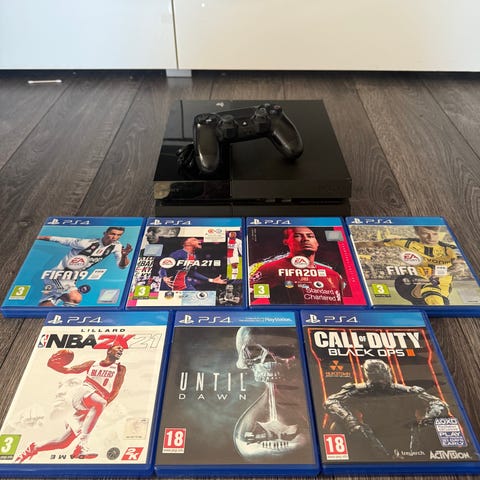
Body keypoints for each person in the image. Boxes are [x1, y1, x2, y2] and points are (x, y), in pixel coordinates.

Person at [15, 345, 126, 462]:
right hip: (84, 393)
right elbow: (69, 370)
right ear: (109, 351)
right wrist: (53, 365)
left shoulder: (120, 368)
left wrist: (104, 405)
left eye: (122, 350)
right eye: (118, 348)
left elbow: (116, 390)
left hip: (92, 404)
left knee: (63, 442)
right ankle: (82, 445)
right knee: (100, 402)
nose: (121, 350)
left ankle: (34, 447)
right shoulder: (93, 363)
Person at [323, 359, 449, 460]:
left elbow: (439, 404)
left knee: (439, 423)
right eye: (376, 378)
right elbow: (331, 402)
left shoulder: (406, 391)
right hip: (371, 437)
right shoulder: (359, 390)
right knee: (337, 426)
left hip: (408, 437)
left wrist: (427, 419)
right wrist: (349, 420)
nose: (381, 382)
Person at [355, 226, 464, 305]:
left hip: (441, 292)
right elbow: (374, 244)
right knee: (428, 285)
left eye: (435, 234)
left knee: (436, 306)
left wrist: (445, 272)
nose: (431, 238)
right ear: (417, 232)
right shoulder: (407, 243)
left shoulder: (451, 249)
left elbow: (460, 268)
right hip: (411, 284)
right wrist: (349, 244)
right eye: (425, 233)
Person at [37, 227, 132, 307]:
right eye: (112, 234)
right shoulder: (87, 243)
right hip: (59, 275)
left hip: (71, 278)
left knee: (46, 304)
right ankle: (66, 319)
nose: (115, 237)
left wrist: (124, 256)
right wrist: (37, 237)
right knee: (75, 298)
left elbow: (122, 266)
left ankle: (44, 319)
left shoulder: (117, 246)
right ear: (105, 233)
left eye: (119, 235)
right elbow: (60, 239)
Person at [249, 227, 345, 305]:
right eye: (298, 236)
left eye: (310, 236)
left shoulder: (333, 275)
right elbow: (248, 297)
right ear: (286, 241)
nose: (306, 239)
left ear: (317, 243)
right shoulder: (271, 268)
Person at [160, 237, 226, 290]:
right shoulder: (178, 253)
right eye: (195, 240)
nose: (199, 241)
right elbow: (163, 268)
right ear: (186, 243)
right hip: (170, 285)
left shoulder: (194, 256)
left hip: (184, 286)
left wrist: (211, 280)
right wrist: (164, 277)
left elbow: (191, 273)